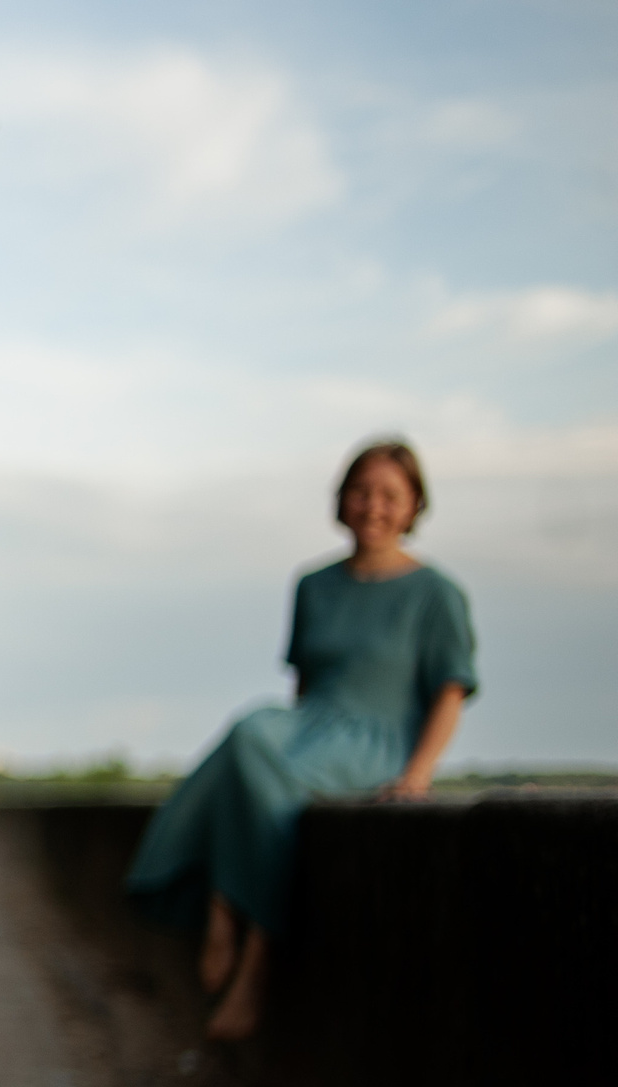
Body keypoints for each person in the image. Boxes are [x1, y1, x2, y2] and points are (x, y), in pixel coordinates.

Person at [126, 439, 477, 1041]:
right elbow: (306, 683)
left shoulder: (436, 593)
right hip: (310, 724)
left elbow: (450, 691)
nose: (373, 506)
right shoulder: (313, 584)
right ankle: (223, 911)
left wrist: (418, 774)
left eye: (389, 495)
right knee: (251, 734)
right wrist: (290, 749)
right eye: (361, 492)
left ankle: (254, 955)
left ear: (414, 505)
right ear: (341, 500)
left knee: (253, 745)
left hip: (375, 740)